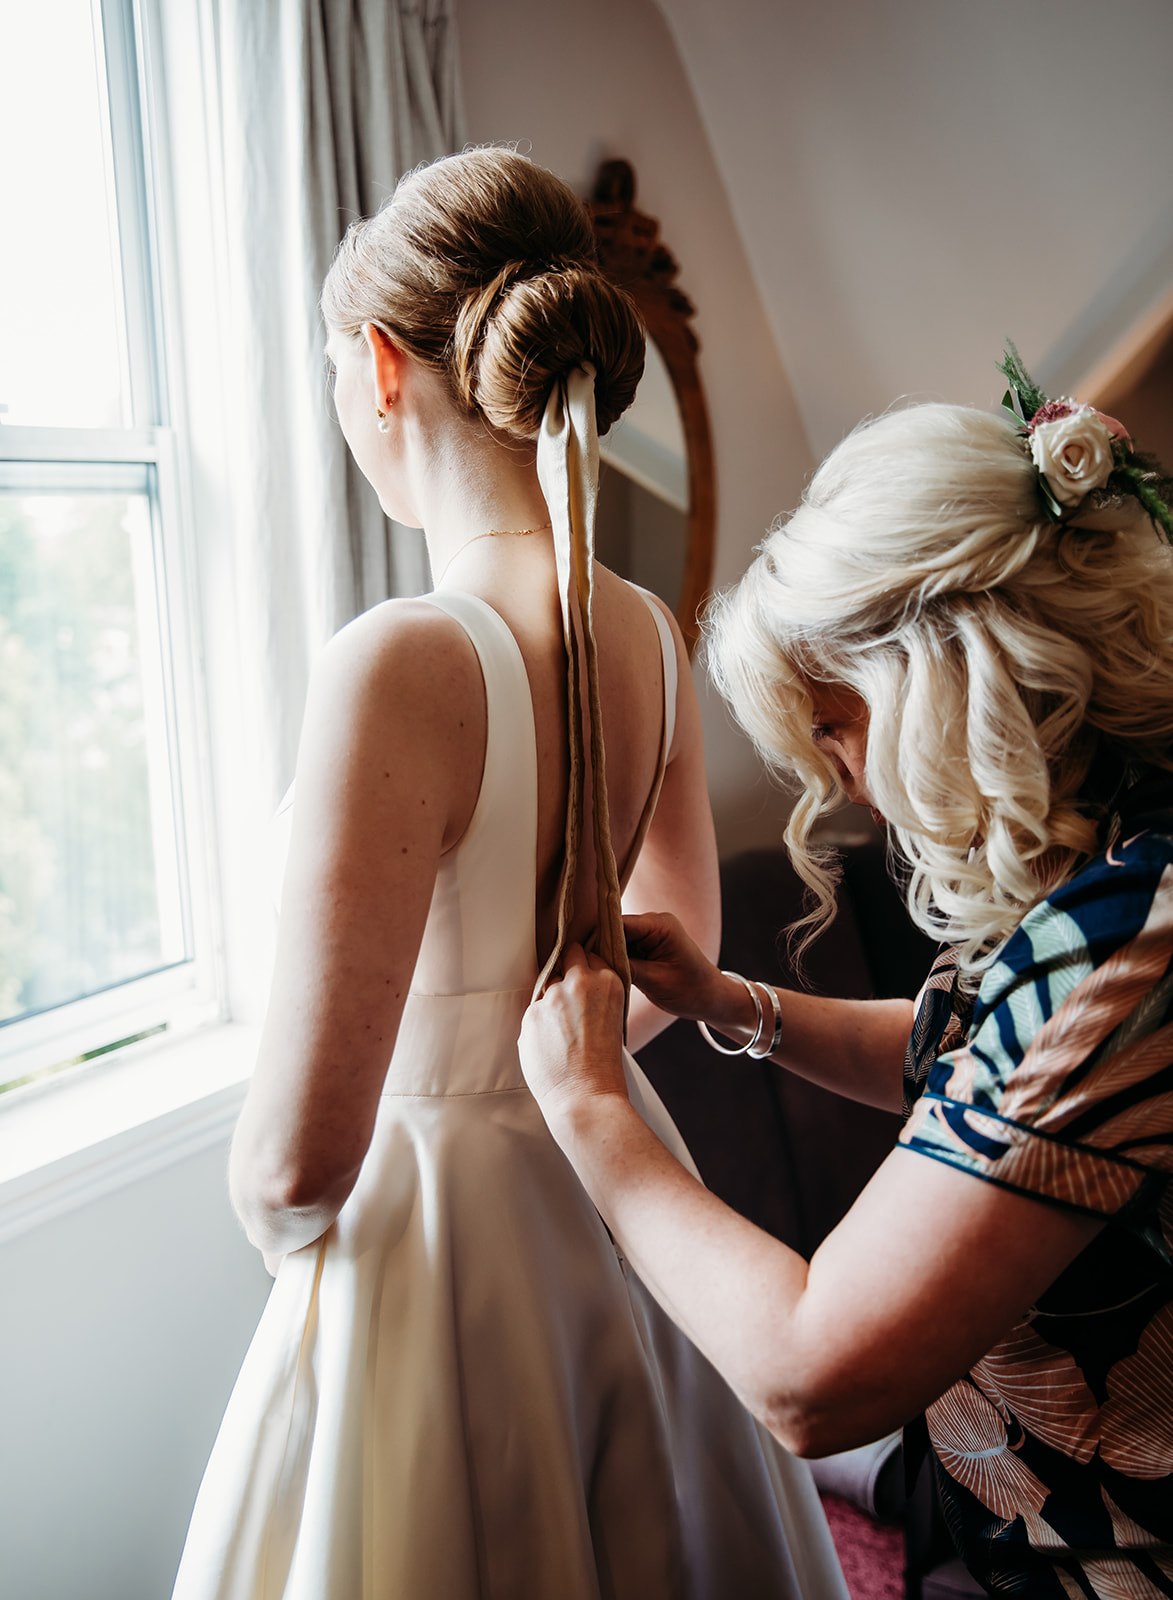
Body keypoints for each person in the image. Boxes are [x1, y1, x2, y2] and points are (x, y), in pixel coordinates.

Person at [171, 148, 847, 1599]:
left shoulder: (399, 660)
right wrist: (546, 1071)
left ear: (380, 365)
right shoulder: (644, 629)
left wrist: (298, 1245)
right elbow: (678, 949)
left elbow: (296, 1162)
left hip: (437, 1243)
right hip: (608, 1180)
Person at [518, 354, 1173, 1597]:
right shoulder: (1132, 857)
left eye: (837, 724)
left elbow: (809, 1377)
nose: (843, 779)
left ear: (946, 678)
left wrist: (591, 1107)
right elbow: (977, 1072)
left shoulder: (1118, 953)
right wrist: (734, 1003)